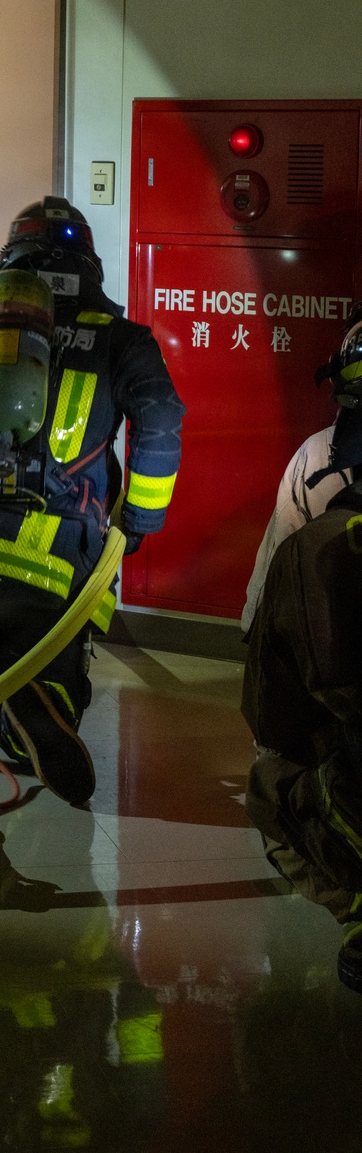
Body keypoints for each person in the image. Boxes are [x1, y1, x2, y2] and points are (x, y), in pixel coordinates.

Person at [0, 197, 185, 800]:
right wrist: (136, 523)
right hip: (56, 553)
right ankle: (40, 695)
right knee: (54, 653)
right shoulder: (123, 340)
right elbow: (161, 420)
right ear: (89, 265)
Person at [240, 318, 362, 990]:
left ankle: (356, 909)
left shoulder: (317, 461)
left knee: (273, 789)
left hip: (336, 714)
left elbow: (265, 622)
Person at [241, 303, 362, 631]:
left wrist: (256, 628)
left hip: (331, 654)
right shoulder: (316, 455)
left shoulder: (317, 455)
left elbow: (277, 569)